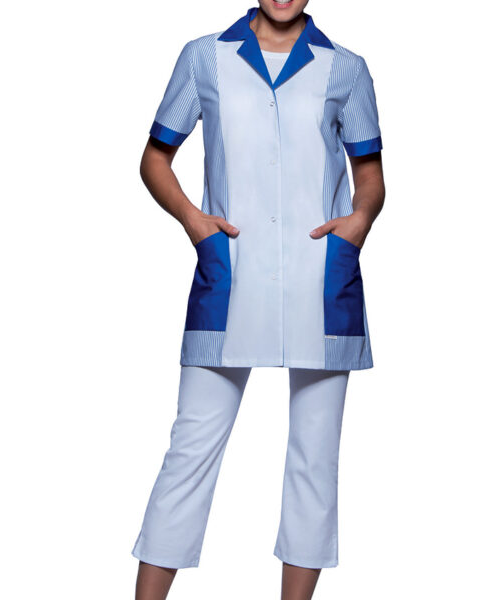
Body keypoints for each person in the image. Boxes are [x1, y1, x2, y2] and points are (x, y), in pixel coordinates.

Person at [132, 1, 385, 598]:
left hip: (319, 282)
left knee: (314, 460)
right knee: (190, 450)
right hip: (230, 278)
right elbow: (154, 158)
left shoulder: (346, 68)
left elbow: (370, 176)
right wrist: (194, 221)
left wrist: (358, 223)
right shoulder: (204, 58)